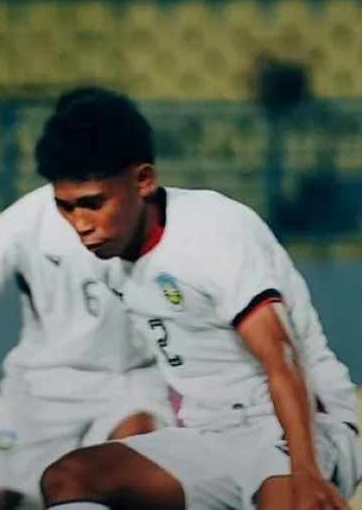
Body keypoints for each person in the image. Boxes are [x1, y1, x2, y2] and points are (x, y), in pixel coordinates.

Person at [32, 88, 360, 510]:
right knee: (70, 477)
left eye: (93, 204)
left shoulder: (212, 229)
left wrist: (307, 472)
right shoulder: (105, 258)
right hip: (210, 434)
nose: (81, 224)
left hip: (301, 430)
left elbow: (282, 358)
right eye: (66, 207)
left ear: (144, 181)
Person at [0, 182, 176, 509]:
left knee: (135, 468)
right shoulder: (22, 222)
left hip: (129, 379)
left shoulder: (146, 212)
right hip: (40, 387)